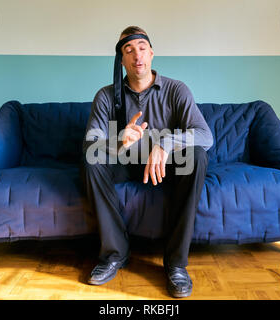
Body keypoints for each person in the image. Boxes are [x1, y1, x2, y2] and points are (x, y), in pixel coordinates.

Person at [81, 26, 213, 298]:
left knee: (198, 155)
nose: (136, 55)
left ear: (151, 53)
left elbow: (204, 135)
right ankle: (115, 254)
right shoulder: (106, 96)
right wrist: (119, 141)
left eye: (141, 48)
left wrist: (165, 143)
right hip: (124, 163)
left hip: (164, 167)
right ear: (121, 60)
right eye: (128, 50)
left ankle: (176, 264)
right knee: (92, 160)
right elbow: (90, 144)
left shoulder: (177, 90)